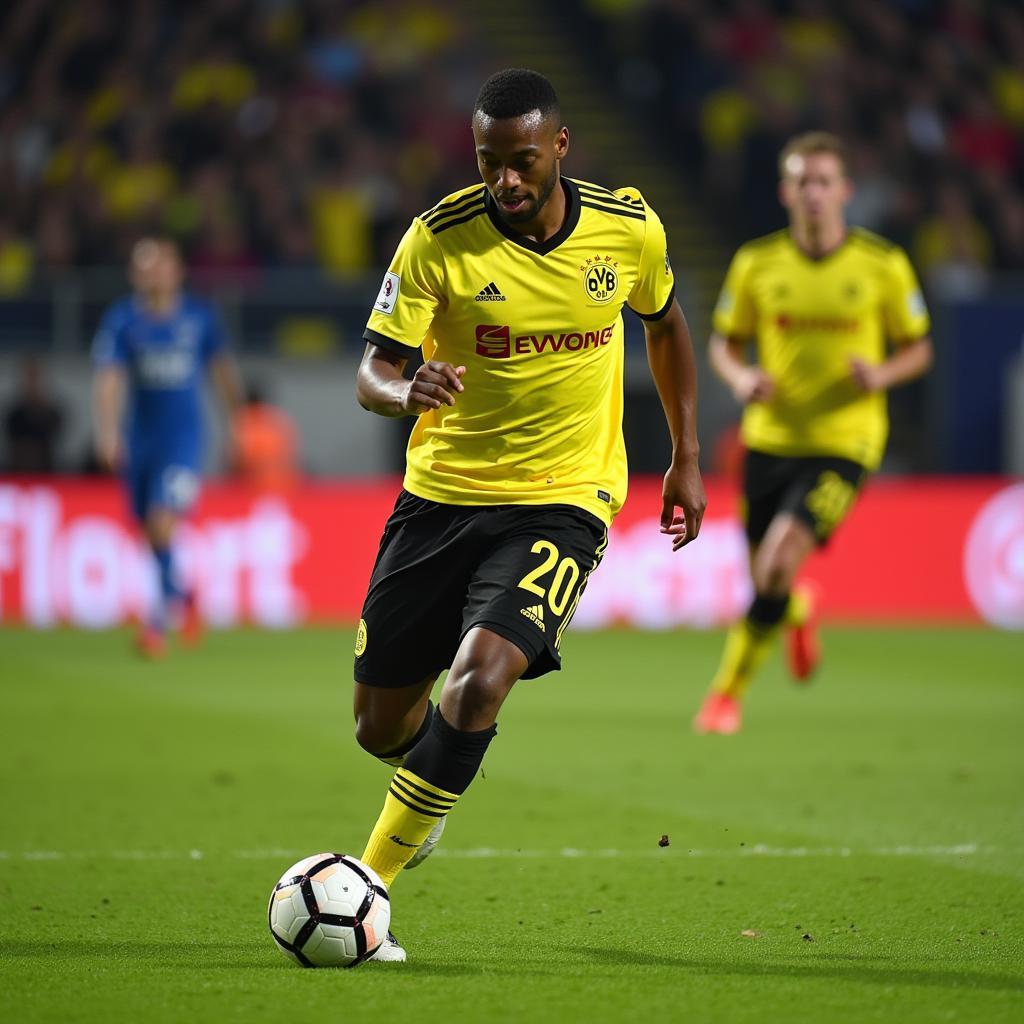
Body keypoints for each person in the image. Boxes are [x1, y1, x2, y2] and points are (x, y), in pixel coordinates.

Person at [351, 68, 706, 962]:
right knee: (382, 729)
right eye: (486, 162)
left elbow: (664, 325)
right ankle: (428, 788)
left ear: (559, 147)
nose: (503, 181)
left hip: (565, 501)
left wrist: (686, 456)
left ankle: (367, 888)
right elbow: (372, 370)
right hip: (441, 500)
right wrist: (404, 391)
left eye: (518, 161)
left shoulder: (630, 232)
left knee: (476, 682)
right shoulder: (438, 240)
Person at [694, 131, 933, 736]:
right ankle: (799, 609)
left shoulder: (882, 265)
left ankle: (725, 696)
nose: (814, 193)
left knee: (776, 562)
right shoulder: (757, 264)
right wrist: (741, 375)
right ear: (785, 191)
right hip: (770, 438)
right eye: (803, 181)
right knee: (766, 585)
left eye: (825, 181)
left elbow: (920, 348)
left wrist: (881, 372)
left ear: (845, 191)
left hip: (844, 441)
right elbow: (723, 342)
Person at [92, 237, 242, 657]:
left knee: (162, 522)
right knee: (147, 531)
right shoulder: (123, 322)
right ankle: (184, 595)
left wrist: (236, 424)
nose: (150, 274)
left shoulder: (199, 317)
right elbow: (109, 379)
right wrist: (107, 432)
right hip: (142, 442)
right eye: (143, 267)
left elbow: (222, 372)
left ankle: (156, 625)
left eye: (158, 265)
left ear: (176, 270)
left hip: (184, 443)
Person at [3, 357, 64, 473]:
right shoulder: (13, 415)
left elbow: (55, 440)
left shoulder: (54, 413)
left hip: (48, 472)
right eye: (29, 378)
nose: (32, 383)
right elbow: (13, 446)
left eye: (36, 378)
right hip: (16, 472)